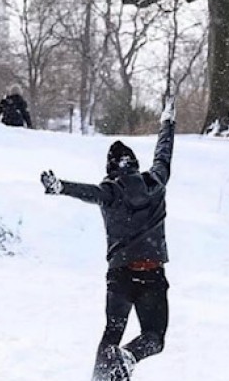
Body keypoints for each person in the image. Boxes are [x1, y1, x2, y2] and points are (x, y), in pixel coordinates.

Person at [40, 100, 175, 381]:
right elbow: (163, 155)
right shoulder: (156, 182)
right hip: (151, 274)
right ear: (135, 164)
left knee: (112, 332)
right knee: (153, 337)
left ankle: (102, 378)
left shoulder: (110, 191)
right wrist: (167, 123)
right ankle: (130, 356)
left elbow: (90, 192)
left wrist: (61, 187)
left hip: (120, 277)